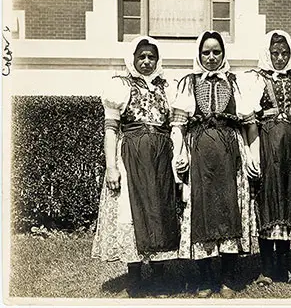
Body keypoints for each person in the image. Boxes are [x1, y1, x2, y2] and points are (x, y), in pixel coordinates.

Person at [91, 36, 183, 298]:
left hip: (161, 161)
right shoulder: (120, 86)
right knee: (130, 211)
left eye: (150, 57)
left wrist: (178, 160)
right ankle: (134, 280)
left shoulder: (169, 88)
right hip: (130, 158)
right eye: (141, 56)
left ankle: (160, 278)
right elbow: (111, 131)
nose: (146, 61)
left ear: (158, 59)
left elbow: (176, 128)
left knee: (160, 211)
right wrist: (111, 167)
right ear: (132, 59)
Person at [171, 31, 254, 299]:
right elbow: (178, 126)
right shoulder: (188, 83)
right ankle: (205, 278)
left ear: (223, 54)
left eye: (216, 52)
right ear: (199, 54)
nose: (211, 57)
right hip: (200, 156)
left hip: (231, 156)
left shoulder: (235, 83)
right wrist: (179, 154)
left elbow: (249, 124)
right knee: (202, 210)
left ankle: (227, 278)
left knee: (230, 208)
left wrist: (253, 156)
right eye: (206, 52)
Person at [243, 30, 291, 286]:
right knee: (268, 199)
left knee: (288, 199)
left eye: (284, 53)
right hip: (268, 143)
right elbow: (249, 118)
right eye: (275, 53)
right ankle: (266, 268)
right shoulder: (256, 79)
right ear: (267, 54)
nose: (280, 58)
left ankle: (284, 267)